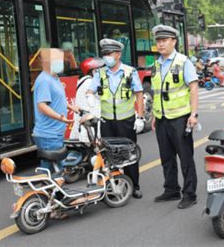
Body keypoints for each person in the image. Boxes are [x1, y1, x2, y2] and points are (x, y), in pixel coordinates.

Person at [87, 39, 145, 199]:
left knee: (129, 154)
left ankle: (135, 186)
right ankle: (115, 185)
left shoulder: (129, 72)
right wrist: (90, 97)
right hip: (107, 122)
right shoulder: (100, 73)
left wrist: (140, 117)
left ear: (118, 54)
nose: (106, 57)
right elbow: (90, 91)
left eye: (109, 54)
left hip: (126, 120)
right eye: (104, 54)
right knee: (110, 156)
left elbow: (139, 94)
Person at [150, 24, 199, 209]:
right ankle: (171, 189)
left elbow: (193, 88)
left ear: (173, 41)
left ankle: (190, 194)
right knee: (166, 156)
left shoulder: (183, 62)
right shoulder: (157, 63)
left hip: (180, 118)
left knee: (185, 157)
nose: (160, 44)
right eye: (158, 41)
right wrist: (155, 115)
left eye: (164, 40)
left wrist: (193, 114)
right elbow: (157, 92)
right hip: (162, 118)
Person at [32, 48, 79, 171]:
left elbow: (57, 99)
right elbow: (42, 106)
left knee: (53, 171)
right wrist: (60, 118)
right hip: (48, 134)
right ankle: (42, 190)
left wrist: (72, 108)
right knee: (52, 172)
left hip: (55, 132)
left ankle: (47, 189)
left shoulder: (54, 77)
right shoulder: (44, 80)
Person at [69, 57, 104, 142]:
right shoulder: (90, 82)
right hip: (89, 126)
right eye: (97, 70)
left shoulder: (82, 81)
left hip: (85, 124)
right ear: (91, 71)